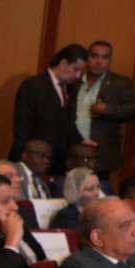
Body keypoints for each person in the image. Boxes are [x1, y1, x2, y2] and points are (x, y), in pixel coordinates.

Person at [10, 44, 87, 172]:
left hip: (59, 164)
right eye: (76, 69)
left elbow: (69, 124)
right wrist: (25, 157)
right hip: (34, 161)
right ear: (63, 63)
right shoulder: (33, 85)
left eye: (81, 71)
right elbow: (23, 125)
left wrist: (82, 142)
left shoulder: (71, 89)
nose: (78, 75)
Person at [75, 41, 135, 176]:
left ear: (110, 60)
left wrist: (108, 109)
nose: (99, 61)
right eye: (94, 56)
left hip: (100, 151)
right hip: (74, 147)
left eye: (104, 57)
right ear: (87, 58)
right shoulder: (75, 80)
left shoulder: (120, 83)